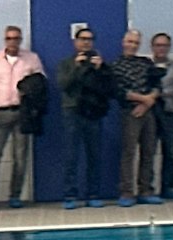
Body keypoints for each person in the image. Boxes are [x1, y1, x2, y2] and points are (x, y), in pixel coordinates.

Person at [0, 26, 43, 210]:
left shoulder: (31, 59)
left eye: (16, 38)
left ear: (21, 39)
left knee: (20, 157)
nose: (12, 41)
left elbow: (40, 83)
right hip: (0, 112)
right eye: (9, 38)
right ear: (5, 39)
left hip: (22, 113)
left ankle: (15, 195)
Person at [58, 27, 114, 208]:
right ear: (75, 42)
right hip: (72, 112)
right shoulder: (66, 63)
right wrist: (76, 67)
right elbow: (64, 85)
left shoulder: (99, 63)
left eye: (90, 39)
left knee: (94, 155)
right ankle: (70, 195)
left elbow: (108, 88)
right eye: (82, 39)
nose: (86, 42)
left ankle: (93, 193)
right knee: (71, 155)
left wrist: (100, 69)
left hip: (93, 113)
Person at [113, 29, 162, 206]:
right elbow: (118, 92)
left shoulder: (146, 63)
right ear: (123, 42)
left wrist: (148, 102)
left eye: (135, 43)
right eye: (129, 42)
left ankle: (145, 189)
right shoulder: (116, 65)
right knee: (129, 152)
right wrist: (142, 100)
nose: (132, 45)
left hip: (148, 111)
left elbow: (157, 85)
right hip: (130, 112)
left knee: (149, 151)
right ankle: (127, 192)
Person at [150, 34, 173, 199]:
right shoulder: (146, 67)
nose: (161, 48)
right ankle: (147, 188)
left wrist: (159, 93)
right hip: (150, 113)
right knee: (148, 152)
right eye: (158, 45)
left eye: (164, 45)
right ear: (152, 47)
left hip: (169, 112)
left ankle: (168, 187)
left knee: (170, 152)